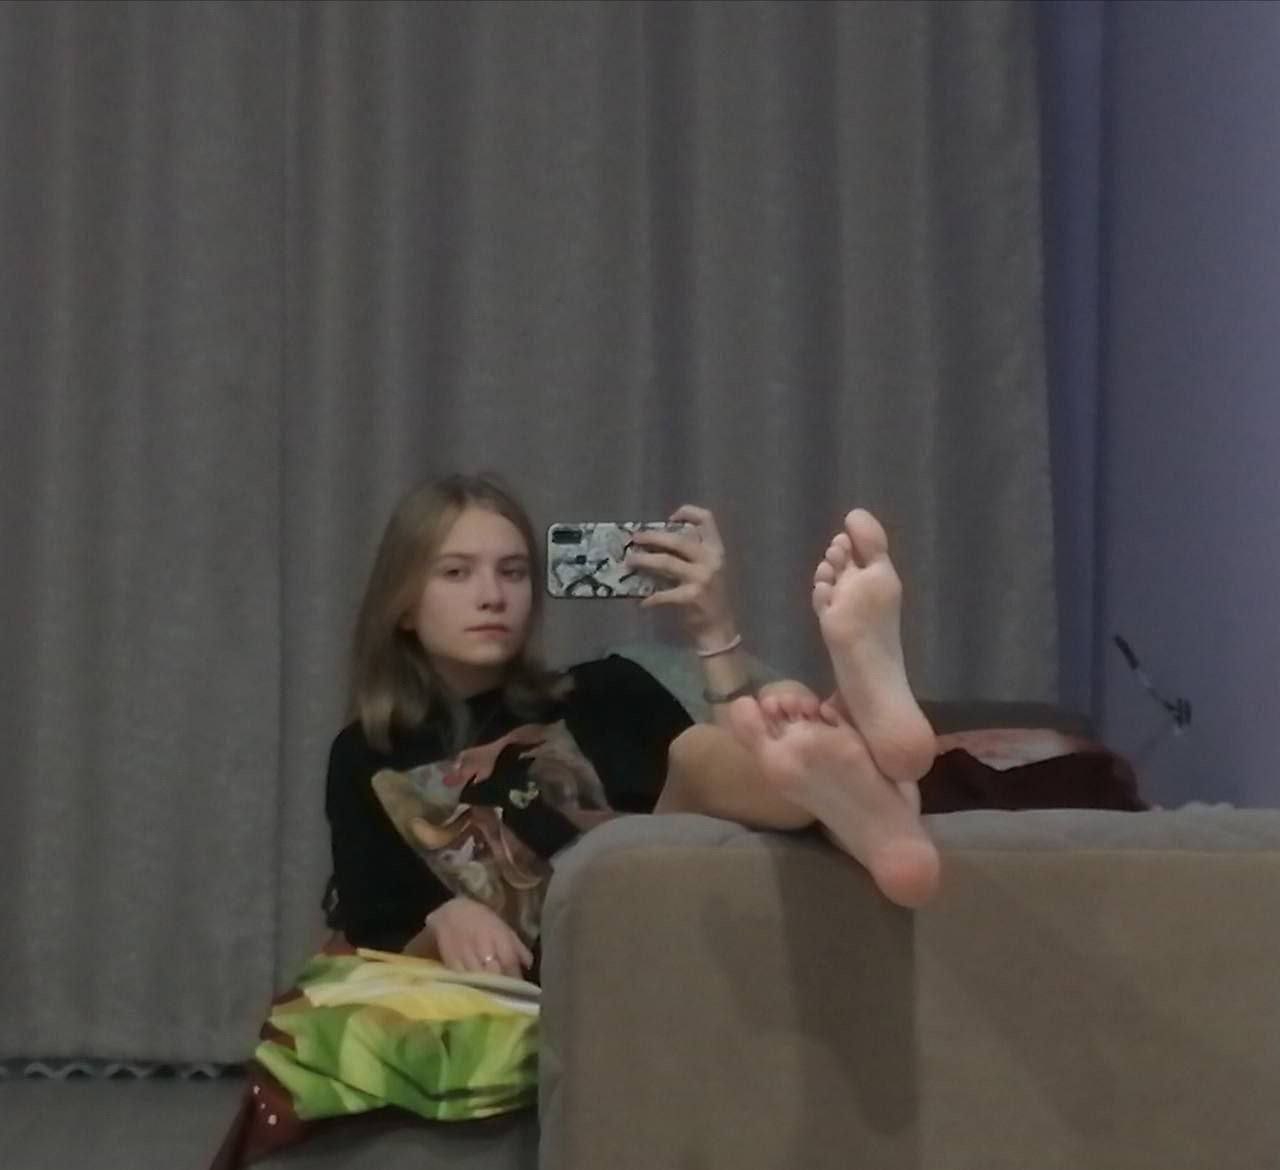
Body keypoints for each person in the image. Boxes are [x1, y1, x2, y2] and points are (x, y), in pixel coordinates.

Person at [323, 473, 940, 983]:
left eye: (512, 572)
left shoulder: (604, 689)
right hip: (569, 973)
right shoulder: (366, 755)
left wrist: (714, 628)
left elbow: (723, 793)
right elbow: (375, 951)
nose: (492, 596)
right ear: (403, 605)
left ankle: (850, 774)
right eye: (456, 573)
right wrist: (442, 924)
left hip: (672, 918)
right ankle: (864, 765)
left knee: (701, 763)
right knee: (750, 749)